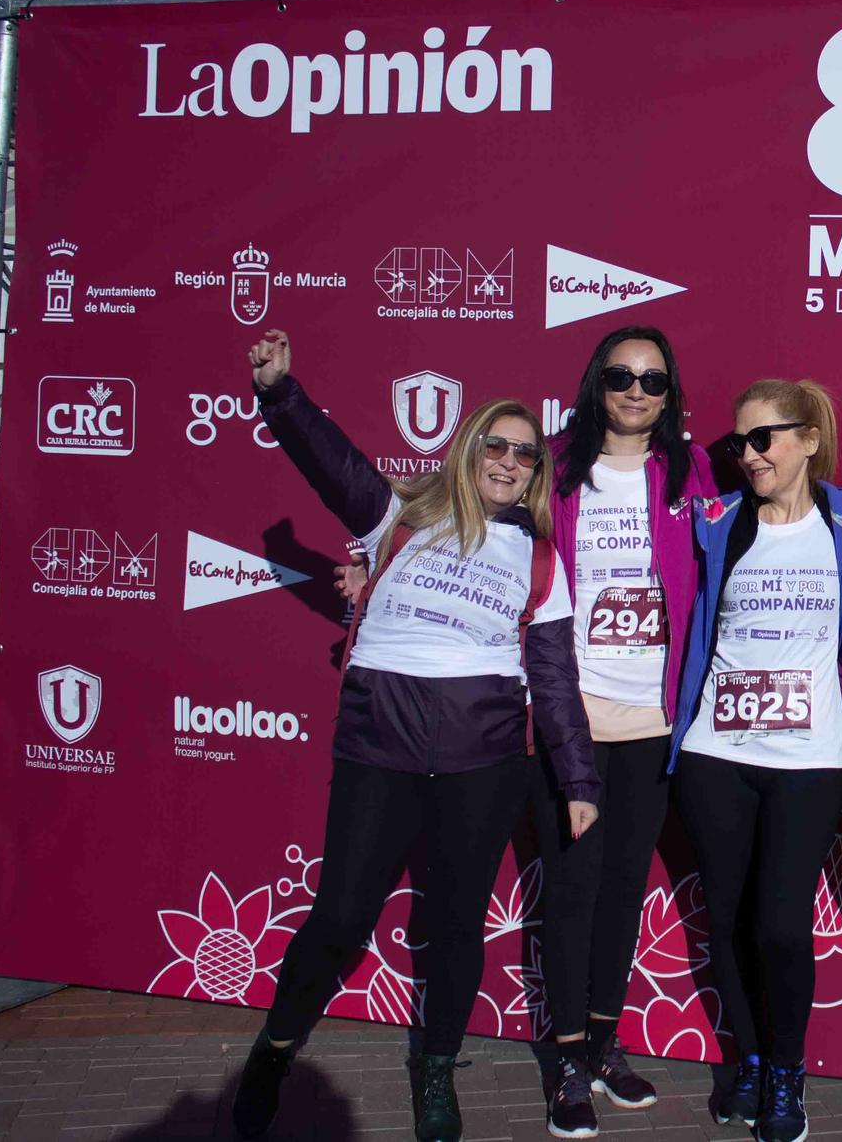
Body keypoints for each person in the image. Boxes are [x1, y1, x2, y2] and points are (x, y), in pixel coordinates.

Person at [230, 330, 599, 1142]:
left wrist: (578, 781)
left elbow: (555, 678)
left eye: (526, 454)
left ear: (537, 471)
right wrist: (281, 392)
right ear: (468, 449)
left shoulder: (540, 558)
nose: (509, 461)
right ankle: (273, 1051)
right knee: (339, 916)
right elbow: (334, 463)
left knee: (459, 924)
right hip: (379, 748)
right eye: (495, 445)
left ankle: (435, 1070)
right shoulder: (397, 513)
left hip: (484, 760)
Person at [665, 379, 842, 1142]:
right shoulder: (717, 521)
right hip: (714, 753)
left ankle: (788, 1072)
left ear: (810, 439)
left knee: (782, 924)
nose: (748, 455)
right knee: (726, 918)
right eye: (739, 442)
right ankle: (751, 1061)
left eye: (765, 439)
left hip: (809, 758)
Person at [535, 327, 716, 1138]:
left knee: (623, 889)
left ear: (671, 390)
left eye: (652, 378)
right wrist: (380, 555)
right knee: (573, 889)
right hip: (574, 715)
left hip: (652, 718)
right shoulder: (553, 464)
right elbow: (463, 511)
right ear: (595, 384)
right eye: (620, 375)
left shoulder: (693, 468)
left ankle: (604, 1041)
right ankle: (567, 1056)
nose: (636, 390)